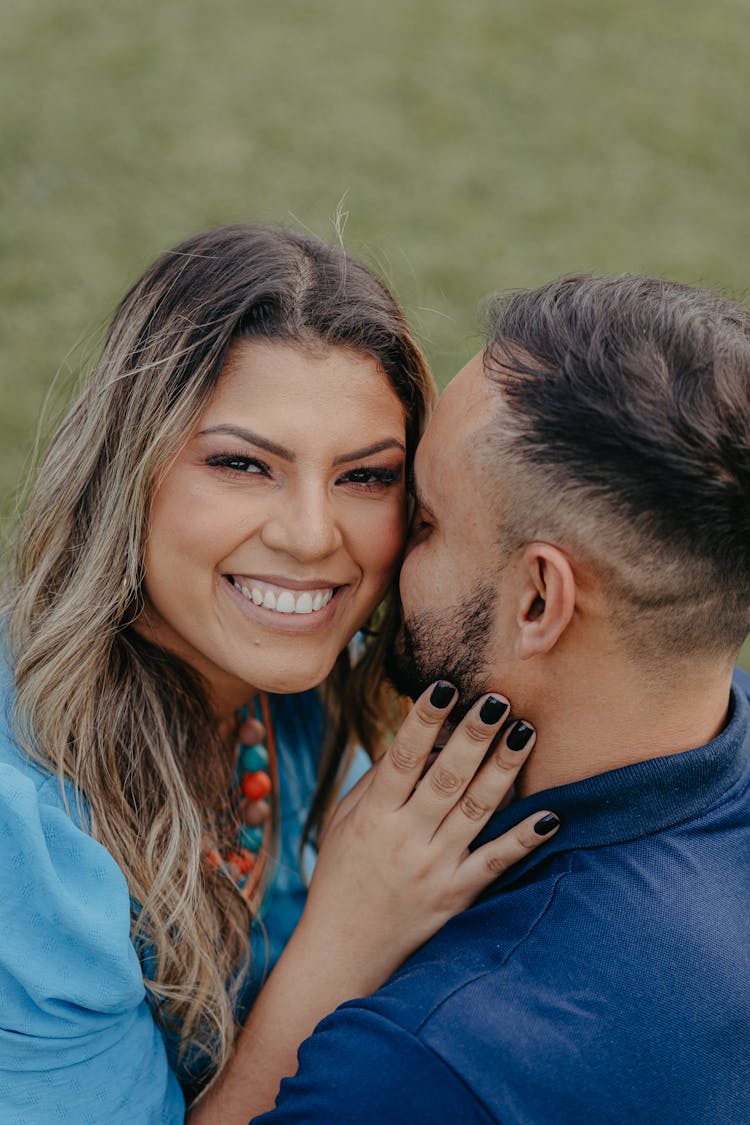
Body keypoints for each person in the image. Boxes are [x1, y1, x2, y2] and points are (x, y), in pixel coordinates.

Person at [0, 224, 558, 1124]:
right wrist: (345, 939)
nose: (310, 536)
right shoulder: (22, 835)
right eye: (241, 463)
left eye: (366, 477)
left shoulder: (294, 699)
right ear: (124, 470)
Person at [253, 275, 750, 1124]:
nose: (366, 546)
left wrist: (332, 949)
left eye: (428, 521)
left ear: (537, 603)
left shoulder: (434, 1061)